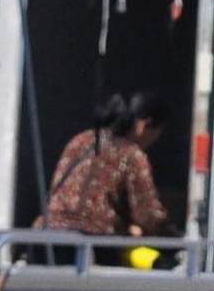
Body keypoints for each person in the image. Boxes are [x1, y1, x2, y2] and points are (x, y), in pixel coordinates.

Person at [40, 89, 172, 240]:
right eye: (156, 133)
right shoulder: (132, 154)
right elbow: (148, 215)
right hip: (93, 242)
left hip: (48, 234)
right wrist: (170, 232)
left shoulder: (81, 140)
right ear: (144, 125)